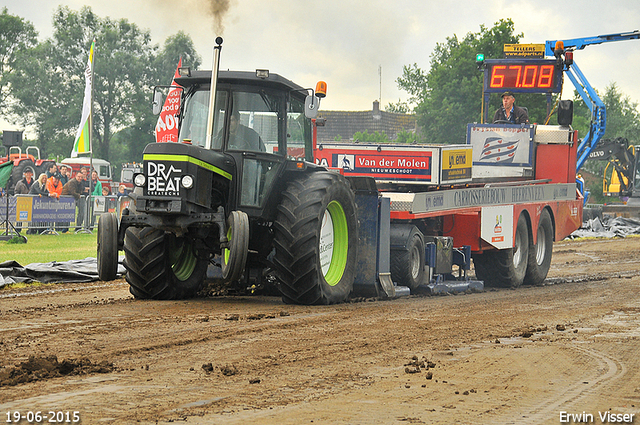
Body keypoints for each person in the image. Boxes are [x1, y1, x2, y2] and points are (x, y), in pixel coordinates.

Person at [13, 167, 34, 233]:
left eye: (29, 173)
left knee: (31, 215)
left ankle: (30, 229)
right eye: (27, 173)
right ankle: (18, 229)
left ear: (32, 174)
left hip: (31, 201)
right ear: (24, 174)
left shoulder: (34, 182)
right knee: (20, 215)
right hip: (21, 201)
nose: (28, 174)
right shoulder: (20, 183)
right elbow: (16, 191)